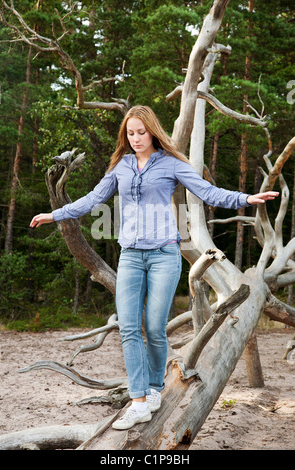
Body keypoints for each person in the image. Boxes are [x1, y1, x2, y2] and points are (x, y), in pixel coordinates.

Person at [30, 105, 279, 430]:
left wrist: (245, 199)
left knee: (155, 326)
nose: (135, 138)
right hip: (131, 256)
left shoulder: (172, 163)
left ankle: (155, 389)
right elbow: (92, 199)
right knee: (130, 328)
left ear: (152, 132)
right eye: (129, 133)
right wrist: (56, 214)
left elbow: (206, 191)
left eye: (140, 132)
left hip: (164, 255)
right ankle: (138, 401)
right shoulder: (120, 166)